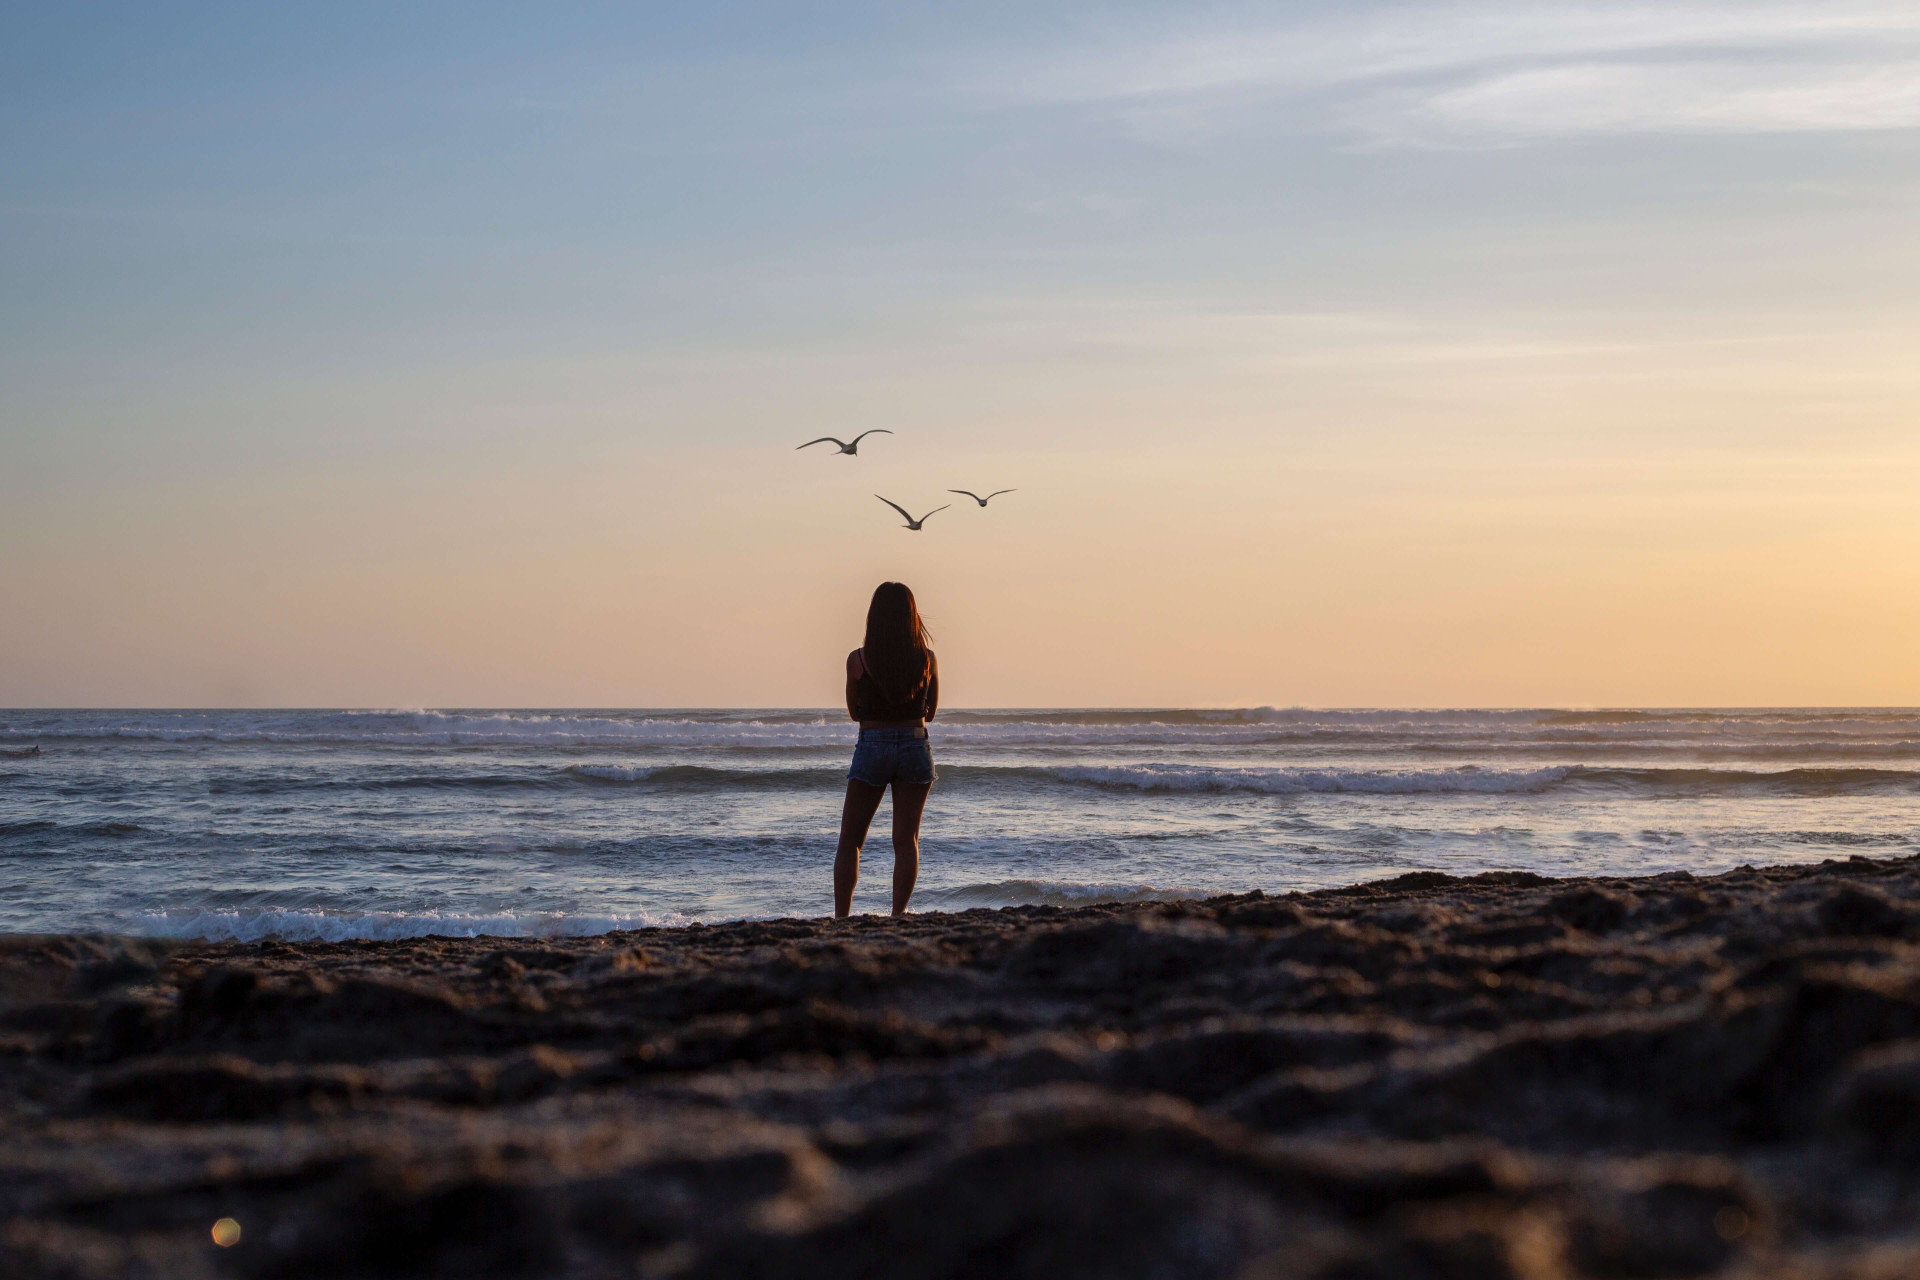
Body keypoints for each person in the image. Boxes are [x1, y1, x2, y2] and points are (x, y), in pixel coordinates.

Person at [835, 582, 939, 917]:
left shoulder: (858, 660)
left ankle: (841, 918)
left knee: (851, 840)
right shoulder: (927, 659)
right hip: (914, 743)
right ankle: (897, 915)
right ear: (912, 616)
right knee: (906, 841)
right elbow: (930, 713)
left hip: (873, 744)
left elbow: (854, 713)